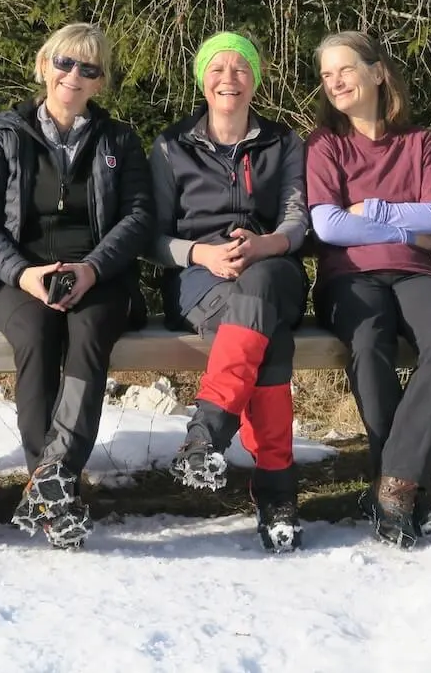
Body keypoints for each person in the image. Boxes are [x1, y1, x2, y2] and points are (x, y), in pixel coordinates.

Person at [0, 22, 154, 549]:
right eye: (65, 63)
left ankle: (53, 478)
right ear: (45, 65)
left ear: (99, 82)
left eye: (88, 69)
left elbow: (137, 218)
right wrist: (24, 273)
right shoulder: (4, 134)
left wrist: (91, 268)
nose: (74, 75)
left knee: (89, 337)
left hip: (99, 276)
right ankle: (51, 487)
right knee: (38, 338)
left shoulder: (118, 140)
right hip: (19, 277)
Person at [148, 31, 308, 553]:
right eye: (218, 68)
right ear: (202, 79)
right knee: (269, 340)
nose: (229, 78)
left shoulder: (284, 143)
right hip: (198, 277)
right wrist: (201, 254)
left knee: (260, 287)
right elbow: (152, 236)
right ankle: (276, 491)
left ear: (255, 80)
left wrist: (267, 245)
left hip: (274, 267)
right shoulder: (172, 146)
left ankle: (207, 434)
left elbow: (296, 218)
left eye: (241, 69)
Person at [306, 32, 431, 549]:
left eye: (344, 70)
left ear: (377, 73)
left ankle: (393, 483)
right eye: (327, 75)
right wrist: (404, 224)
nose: (335, 83)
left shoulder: (418, 142)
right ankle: (405, 488)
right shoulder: (324, 145)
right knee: (369, 342)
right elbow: (329, 227)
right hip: (348, 278)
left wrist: (371, 213)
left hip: (416, 272)